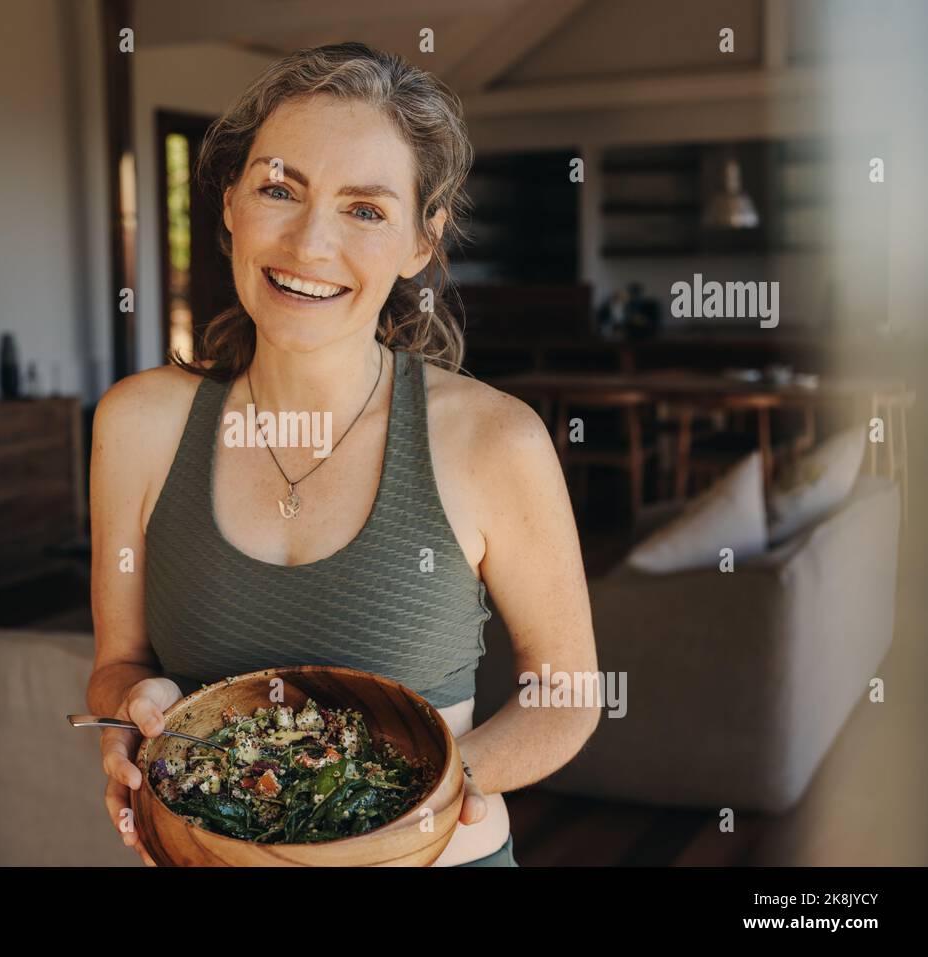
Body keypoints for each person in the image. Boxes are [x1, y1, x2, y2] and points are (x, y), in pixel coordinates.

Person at [87, 41, 599, 866]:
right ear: (230, 205)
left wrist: (421, 792)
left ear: (420, 243)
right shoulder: (137, 424)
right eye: (279, 189)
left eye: (365, 209)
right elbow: (119, 663)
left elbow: (568, 692)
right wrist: (128, 718)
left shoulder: (494, 439)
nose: (310, 242)